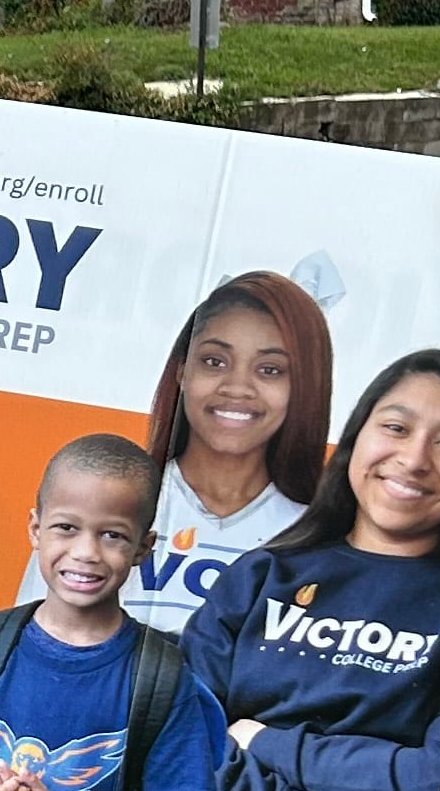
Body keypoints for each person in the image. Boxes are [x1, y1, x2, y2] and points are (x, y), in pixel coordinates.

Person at [171, 349, 440, 791]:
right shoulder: (262, 576)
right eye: (395, 427)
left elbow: (435, 788)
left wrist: (265, 741)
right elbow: (178, 752)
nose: (414, 459)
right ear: (356, 439)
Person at [0, 433, 231, 791]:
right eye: (66, 528)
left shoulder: (164, 678)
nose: (86, 552)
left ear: (144, 547)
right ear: (35, 529)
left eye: (112, 535)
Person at [21, 271, 332, 634]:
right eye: (215, 362)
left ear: (304, 387)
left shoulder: (318, 537)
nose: (237, 387)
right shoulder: (111, 499)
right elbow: (35, 648)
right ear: (183, 371)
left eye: (270, 370)